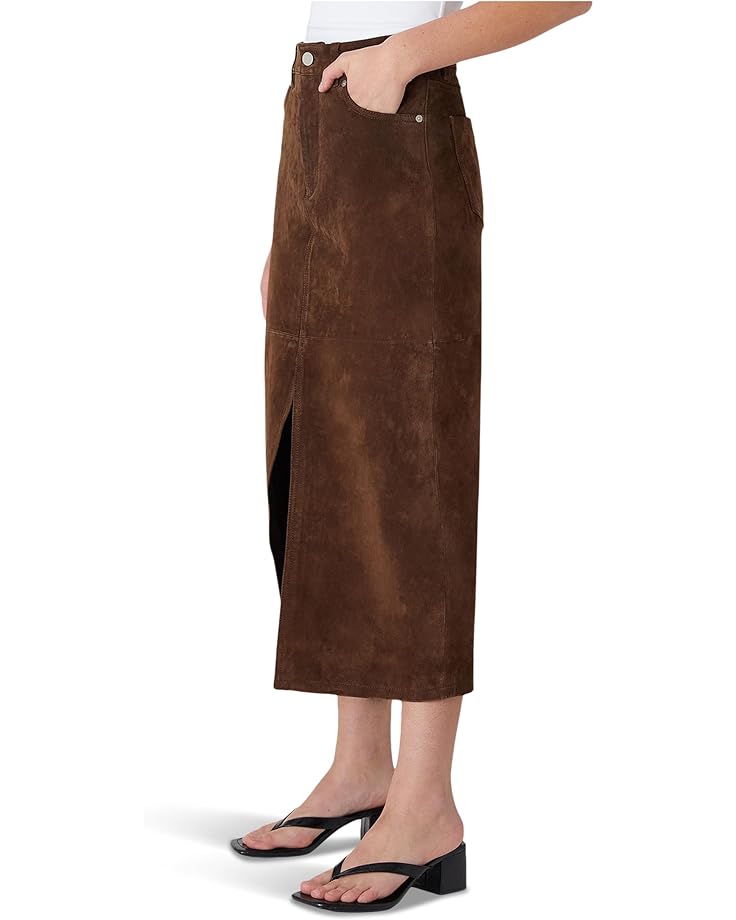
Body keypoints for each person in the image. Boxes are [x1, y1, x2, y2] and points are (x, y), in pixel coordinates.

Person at [233, 2, 592, 911]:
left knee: (412, 472)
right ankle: (362, 769)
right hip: (322, 129)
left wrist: (403, 57)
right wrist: (295, 215)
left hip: (400, 123)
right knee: (325, 462)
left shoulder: (400, 70)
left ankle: (426, 806)